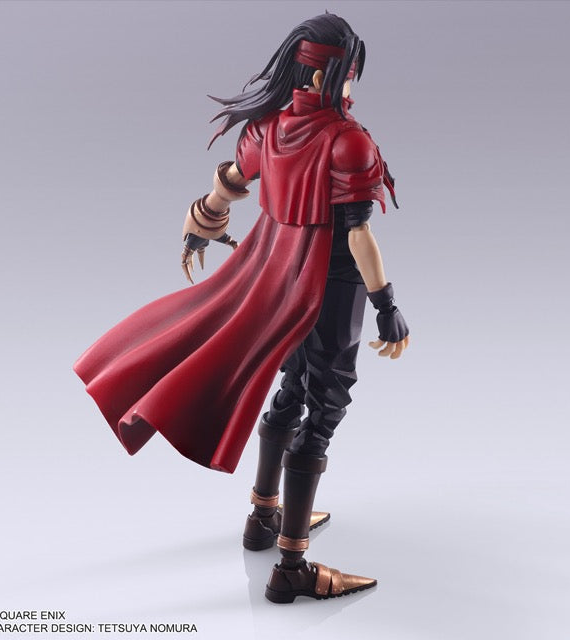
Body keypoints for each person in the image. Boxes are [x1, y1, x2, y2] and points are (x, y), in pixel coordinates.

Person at [75, 13, 409, 603]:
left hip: (275, 287)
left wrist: (200, 224)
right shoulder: (347, 140)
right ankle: (292, 566)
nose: (351, 87)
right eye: (349, 75)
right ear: (325, 78)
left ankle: (262, 516)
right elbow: (358, 234)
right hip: (331, 288)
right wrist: (387, 304)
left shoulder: (267, 129)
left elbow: (228, 182)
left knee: (292, 390)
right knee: (324, 407)